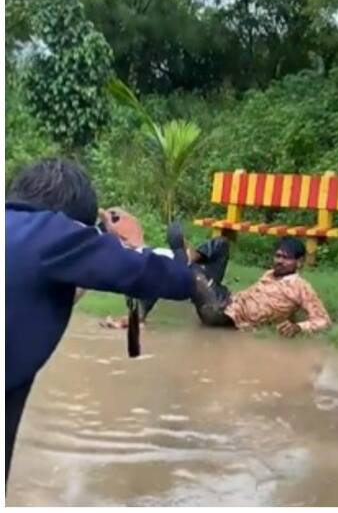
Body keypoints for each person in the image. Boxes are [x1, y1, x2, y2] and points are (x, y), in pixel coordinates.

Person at [6, 158, 196, 482]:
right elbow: (178, 280)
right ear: (74, 223)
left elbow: (37, 289)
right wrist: (136, 243)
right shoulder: (54, 234)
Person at [102, 225, 332, 337]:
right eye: (277, 256)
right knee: (221, 244)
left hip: (223, 313)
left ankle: (182, 262)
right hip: (226, 297)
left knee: (178, 270)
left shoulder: (301, 287)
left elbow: (322, 320)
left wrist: (298, 327)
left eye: (286, 258)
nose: (279, 261)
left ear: (299, 262)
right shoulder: (270, 275)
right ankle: (187, 259)